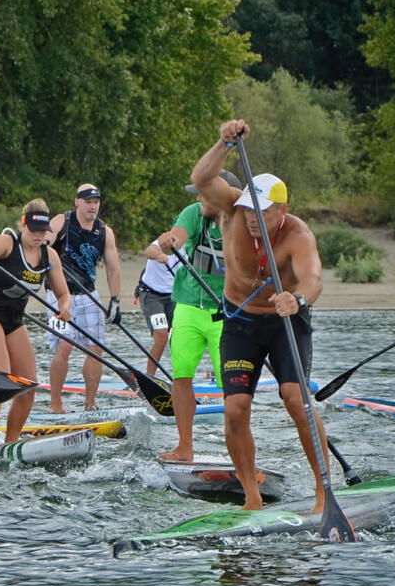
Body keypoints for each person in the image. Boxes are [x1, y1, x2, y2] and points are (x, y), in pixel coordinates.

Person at [190, 119, 327, 512]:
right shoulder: (232, 209)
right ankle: (251, 498)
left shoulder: (297, 234)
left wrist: (297, 299)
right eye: (250, 207)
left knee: (296, 399)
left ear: (282, 210)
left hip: (286, 323)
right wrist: (224, 142)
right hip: (241, 322)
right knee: (235, 408)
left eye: (262, 211)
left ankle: (322, 491)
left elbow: (313, 278)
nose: (252, 217)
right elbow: (201, 178)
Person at [0, 200, 73, 448]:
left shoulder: (50, 255)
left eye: (43, 231)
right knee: (2, 380)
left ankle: (11, 444)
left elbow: (63, 295)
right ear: (23, 224)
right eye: (34, 230)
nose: (39, 235)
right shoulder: (7, 242)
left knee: (28, 386)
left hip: (14, 318)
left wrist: (64, 308)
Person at [149, 169, 238, 463]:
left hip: (225, 311)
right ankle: (185, 446)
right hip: (188, 304)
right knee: (182, 375)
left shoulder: (240, 220)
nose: (198, 198)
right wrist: (168, 241)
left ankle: (237, 451)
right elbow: (178, 234)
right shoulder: (193, 213)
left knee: (232, 387)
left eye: (203, 193)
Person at [46, 184, 122, 412]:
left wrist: (115, 301)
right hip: (58, 294)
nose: (93, 205)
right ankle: (55, 404)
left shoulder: (104, 231)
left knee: (95, 348)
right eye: (88, 201)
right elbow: (41, 247)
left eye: (96, 201)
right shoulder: (62, 221)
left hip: (88, 294)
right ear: (77, 202)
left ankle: (90, 404)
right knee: (64, 346)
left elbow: (113, 268)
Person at [137, 242, 179, 377]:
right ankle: (150, 377)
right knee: (161, 336)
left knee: (179, 337)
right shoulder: (163, 242)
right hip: (151, 296)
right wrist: (158, 255)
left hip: (173, 296)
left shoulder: (190, 247)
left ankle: (181, 378)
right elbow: (149, 250)